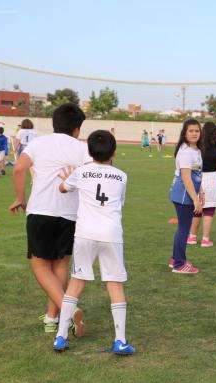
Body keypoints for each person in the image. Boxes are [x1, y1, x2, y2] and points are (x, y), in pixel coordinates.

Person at [8, 103, 90, 335]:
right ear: (77, 129)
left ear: (54, 123)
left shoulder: (38, 143)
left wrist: (19, 198)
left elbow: (18, 169)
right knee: (60, 263)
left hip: (41, 210)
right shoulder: (82, 148)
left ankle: (68, 309)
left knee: (40, 266)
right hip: (71, 213)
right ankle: (52, 318)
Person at [53, 130, 135, 355]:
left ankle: (60, 337)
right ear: (114, 151)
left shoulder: (81, 171)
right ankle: (120, 340)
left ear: (88, 151)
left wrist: (66, 179)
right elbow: (120, 201)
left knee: (76, 282)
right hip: (111, 234)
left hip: (85, 234)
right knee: (115, 285)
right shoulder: (122, 175)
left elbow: (62, 188)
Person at [168, 119, 204, 274]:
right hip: (183, 194)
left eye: (197, 130)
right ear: (185, 133)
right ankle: (179, 264)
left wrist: (201, 191)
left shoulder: (195, 150)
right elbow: (186, 177)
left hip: (187, 193)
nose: (194, 133)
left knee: (182, 227)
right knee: (184, 228)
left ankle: (175, 259)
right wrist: (195, 199)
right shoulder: (185, 152)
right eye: (191, 131)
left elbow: (198, 174)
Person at [188, 122, 216, 247]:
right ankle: (205, 239)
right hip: (213, 178)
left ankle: (192, 237)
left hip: (198, 178)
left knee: (197, 209)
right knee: (209, 211)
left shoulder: (197, 148)